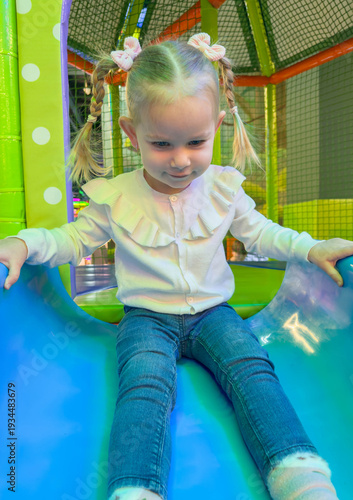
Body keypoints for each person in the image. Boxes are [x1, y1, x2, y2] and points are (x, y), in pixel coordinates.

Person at [0, 33, 352, 500]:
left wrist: (312, 248)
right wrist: (24, 242)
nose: (181, 160)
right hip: (147, 319)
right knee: (144, 386)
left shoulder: (224, 188)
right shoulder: (118, 195)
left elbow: (263, 234)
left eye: (196, 142)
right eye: (162, 143)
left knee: (253, 369)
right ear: (131, 133)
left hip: (215, 314)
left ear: (218, 126)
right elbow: (72, 240)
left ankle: (297, 470)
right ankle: (136, 488)